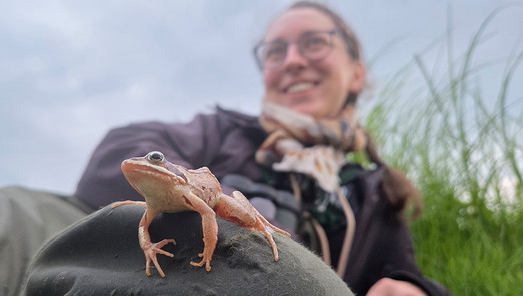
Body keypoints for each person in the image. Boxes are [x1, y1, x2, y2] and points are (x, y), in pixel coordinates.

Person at [71, 2, 450, 295]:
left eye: (315, 43)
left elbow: (400, 274)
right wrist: (185, 188)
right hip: (174, 276)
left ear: (356, 73)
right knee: (27, 211)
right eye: (275, 51)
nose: (293, 61)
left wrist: (414, 288)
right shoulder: (223, 132)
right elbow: (117, 150)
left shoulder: (375, 191)